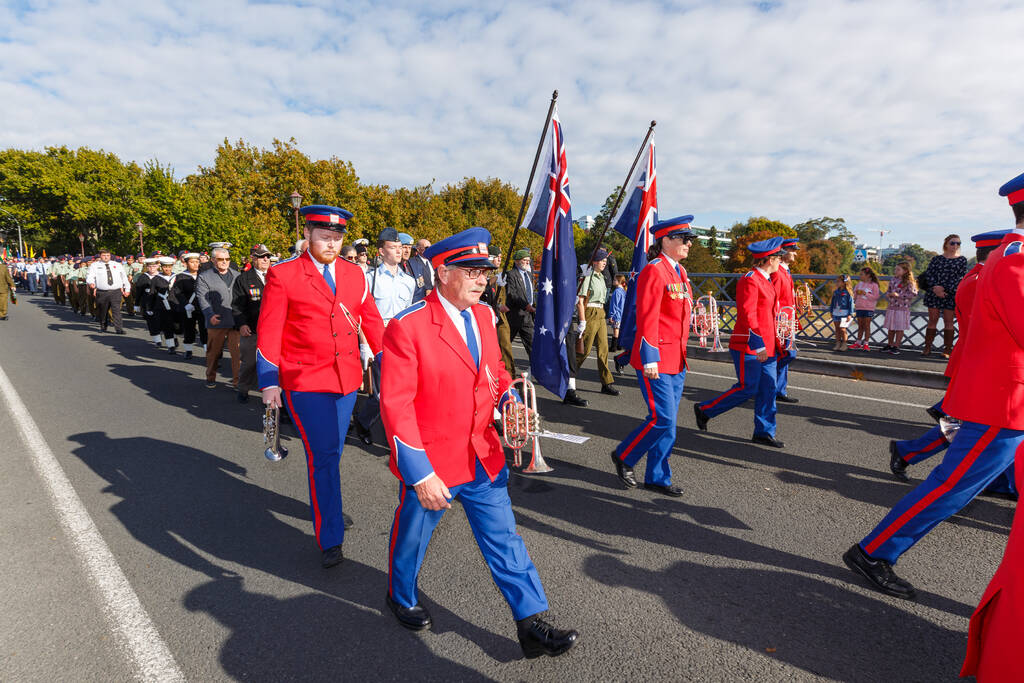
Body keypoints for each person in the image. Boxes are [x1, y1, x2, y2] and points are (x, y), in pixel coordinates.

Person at [380, 226, 578, 658]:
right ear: (443, 272)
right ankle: (400, 594)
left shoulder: (486, 317)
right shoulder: (406, 327)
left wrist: (511, 404)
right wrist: (419, 474)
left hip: (483, 454)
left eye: (485, 272)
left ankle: (530, 623)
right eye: (471, 271)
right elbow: (397, 408)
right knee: (413, 535)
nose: (482, 279)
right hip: (432, 461)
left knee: (505, 540)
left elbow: (494, 377)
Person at [843, 174, 1024, 601]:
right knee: (949, 488)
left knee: (958, 484)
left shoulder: (1008, 257)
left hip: (1004, 397)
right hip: (1003, 403)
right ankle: (874, 551)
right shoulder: (1016, 260)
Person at [258, 205, 385, 568]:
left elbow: (371, 321)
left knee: (331, 453)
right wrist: (269, 383)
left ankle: (325, 506)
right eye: (324, 237)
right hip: (304, 379)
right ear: (309, 236)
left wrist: (391, 361)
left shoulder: (354, 274)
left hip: (346, 378)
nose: (331, 243)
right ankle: (330, 536)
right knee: (325, 454)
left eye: (337, 238)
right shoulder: (284, 275)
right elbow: (269, 331)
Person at [887, 230, 1015, 493]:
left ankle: (1004, 481)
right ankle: (910, 454)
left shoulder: (978, 278)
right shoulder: (983, 281)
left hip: (980, 363)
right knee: (972, 428)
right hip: (982, 365)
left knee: (992, 428)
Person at [611, 217, 696, 496]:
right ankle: (624, 456)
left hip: (676, 358)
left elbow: (680, 313)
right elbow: (646, 316)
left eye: (689, 239)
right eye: (683, 238)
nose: (689, 243)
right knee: (662, 418)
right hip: (656, 358)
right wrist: (649, 358)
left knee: (669, 425)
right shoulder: (655, 270)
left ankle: (658, 477)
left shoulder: (680, 272)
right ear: (666, 240)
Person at [694, 237, 785, 448]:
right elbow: (748, 314)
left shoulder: (767, 280)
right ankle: (705, 410)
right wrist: (759, 345)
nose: (780, 261)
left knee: (768, 389)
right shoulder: (750, 279)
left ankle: (763, 431)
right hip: (750, 345)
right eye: (778, 258)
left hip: (767, 345)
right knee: (748, 388)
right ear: (769, 259)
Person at [354, 228, 416, 444]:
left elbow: (409, 316)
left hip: (400, 340)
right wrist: (364, 344)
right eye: (393, 247)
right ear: (381, 251)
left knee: (403, 390)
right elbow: (362, 315)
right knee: (381, 395)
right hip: (376, 339)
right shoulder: (369, 279)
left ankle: (397, 435)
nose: (399, 251)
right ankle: (363, 421)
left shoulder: (409, 281)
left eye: (401, 247)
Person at [231, 244, 271, 402]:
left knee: (274, 365)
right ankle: (243, 388)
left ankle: (272, 395)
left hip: (274, 330)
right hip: (252, 329)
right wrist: (241, 324)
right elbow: (236, 306)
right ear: (254, 258)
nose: (266, 259)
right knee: (249, 363)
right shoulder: (243, 279)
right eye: (262, 256)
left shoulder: (277, 276)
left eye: (268, 256)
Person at [196, 246, 240, 389]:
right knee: (213, 353)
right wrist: (209, 315)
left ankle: (237, 382)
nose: (224, 262)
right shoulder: (204, 276)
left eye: (227, 259)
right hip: (217, 320)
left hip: (235, 321)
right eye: (221, 259)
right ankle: (210, 376)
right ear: (214, 260)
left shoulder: (237, 275)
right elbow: (202, 298)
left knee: (237, 354)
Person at [576, 249, 618, 396]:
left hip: (600, 313)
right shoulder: (588, 276)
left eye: (605, 261)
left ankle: (606, 383)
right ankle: (567, 375)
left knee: (603, 350)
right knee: (585, 350)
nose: (604, 263)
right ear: (594, 262)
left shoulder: (601, 277)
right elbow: (580, 300)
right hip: (590, 313)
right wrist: (582, 320)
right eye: (601, 260)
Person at [919, 234, 968, 358]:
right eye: (952, 243)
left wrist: (944, 289)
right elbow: (929, 274)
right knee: (932, 321)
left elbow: (960, 278)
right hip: (934, 293)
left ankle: (947, 349)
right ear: (946, 244)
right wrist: (936, 288)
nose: (955, 245)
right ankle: (927, 347)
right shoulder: (937, 259)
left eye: (958, 243)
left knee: (949, 322)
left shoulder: (962, 260)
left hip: (950, 294)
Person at [771, 237, 799, 403]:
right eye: (792, 250)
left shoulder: (786, 270)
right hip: (781, 321)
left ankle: (779, 390)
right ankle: (766, 382)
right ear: (784, 252)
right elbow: (773, 298)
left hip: (788, 319)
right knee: (788, 354)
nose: (795, 253)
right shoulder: (778, 271)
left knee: (786, 355)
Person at [482, 244, 516, 376]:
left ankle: (508, 377)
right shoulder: (485, 273)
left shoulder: (495, 274)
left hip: (497, 315)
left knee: (504, 347)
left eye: (501, 257)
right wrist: (493, 280)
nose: (500, 260)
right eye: (497, 257)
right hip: (485, 318)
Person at [85, 248, 132, 334]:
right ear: (100, 256)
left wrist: (127, 289)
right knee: (103, 310)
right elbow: (90, 276)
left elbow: (124, 278)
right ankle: (103, 325)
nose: (106, 257)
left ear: (110, 256)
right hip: (102, 292)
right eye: (104, 255)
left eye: (108, 255)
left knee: (116, 310)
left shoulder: (117, 265)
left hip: (116, 291)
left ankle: (119, 328)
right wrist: (91, 283)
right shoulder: (94, 265)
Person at [170, 253, 205, 359]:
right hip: (188, 308)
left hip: (202, 306)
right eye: (192, 262)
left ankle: (208, 352)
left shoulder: (204, 274)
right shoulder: (180, 276)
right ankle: (188, 350)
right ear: (185, 263)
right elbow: (178, 292)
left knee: (204, 330)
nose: (195, 264)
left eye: (197, 262)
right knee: (189, 328)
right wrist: (185, 304)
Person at [505, 249, 535, 359]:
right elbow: (512, 294)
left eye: (528, 260)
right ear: (517, 261)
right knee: (505, 344)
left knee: (533, 345)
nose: (527, 262)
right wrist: (526, 305)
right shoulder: (511, 275)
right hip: (514, 315)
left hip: (527, 316)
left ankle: (535, 371)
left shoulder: (529, 275)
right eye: (524, 260)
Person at [881, 262, 918, 354]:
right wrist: (889, 294)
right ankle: (889, 344)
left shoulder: (909, 282)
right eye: (895, 269)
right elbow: (888, 291)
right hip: (892, 307)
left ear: (905, 271)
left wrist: (899, 295)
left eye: (898, 269)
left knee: (899, 328)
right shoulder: (893, 279)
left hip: (902, 308)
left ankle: (896, 346)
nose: (895, 271)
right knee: (891, 327)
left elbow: (913, 294)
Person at [144, 256, 179, 352]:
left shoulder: (177, 277)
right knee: (167, 325)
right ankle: (170, 346)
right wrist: (149, 307)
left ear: (172, 267)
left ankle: (175, 336)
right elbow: (152, 294)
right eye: (165, 267)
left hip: (175, 305)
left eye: (169, 267)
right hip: (162, 306)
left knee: (176, 325)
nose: (167, 269)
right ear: (161, 267)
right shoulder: (156, 279)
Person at [850, 267, 881, 350]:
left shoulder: (874, 285)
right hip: (859, 307)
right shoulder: (858, 284)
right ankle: (858, 342)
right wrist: (855, 293)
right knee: (860, 326)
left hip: (869, 308)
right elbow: (854, 296)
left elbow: (875, 297)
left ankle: (866, 343)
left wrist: (865, 293)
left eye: (861, 274)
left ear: (868, 275)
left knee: (867, 326)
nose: (860, 276)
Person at [828, 275, 854, 351]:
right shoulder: (836, 292)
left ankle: (844, 344)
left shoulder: (848, 293)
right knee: (837, 329)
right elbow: (832, 302)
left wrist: (850, 314)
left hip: (845, 313)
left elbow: (851, 304)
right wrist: (831, 311)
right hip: (836, 312)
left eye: (838, 281)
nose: (837, 283)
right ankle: (838, 343)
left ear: (844, 282)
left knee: (843, 329)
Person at [407, 237, 434, 302]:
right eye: (427, 248)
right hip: (422, 300)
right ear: (418, 249)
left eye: (431, 247)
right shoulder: (412, 263)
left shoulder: (432, 262)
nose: (429, 250)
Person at [608, 274, 626, 351]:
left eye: (615, 280)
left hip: (617, 314)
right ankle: (619, 345)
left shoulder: (617, 292)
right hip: (622, 314)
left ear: (619, 282)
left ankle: (613, 346)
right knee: (619, 330)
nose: (613, 281)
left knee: (616, 330)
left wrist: (611, 315)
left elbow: (614, 305)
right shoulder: (624, 291)